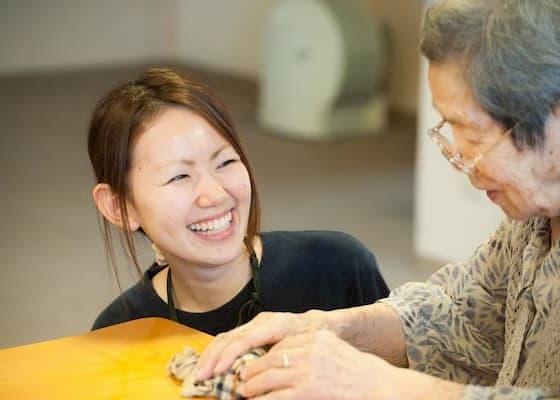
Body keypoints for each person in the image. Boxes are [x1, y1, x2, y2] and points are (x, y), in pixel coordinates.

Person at [193, 1, 560, 398]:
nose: (461, 161)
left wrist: (379, 385)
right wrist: (330, 330)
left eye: (472, 134)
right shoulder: (533, 218)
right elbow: (465, 311)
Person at [88, 67, 389, 336]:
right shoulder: (119, 333)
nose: (216, 194)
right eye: (179, 177)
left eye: (225, 162)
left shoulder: (338, 269)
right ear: (120, 208)